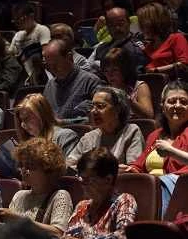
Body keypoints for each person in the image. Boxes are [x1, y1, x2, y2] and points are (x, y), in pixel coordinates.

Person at [61, 148, 137, 239]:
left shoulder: (123, 200)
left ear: (108, 179)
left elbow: (123, 236)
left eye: (88, 180)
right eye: (81, 179)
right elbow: (68, 237)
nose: (83, 184)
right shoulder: (82, 206)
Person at [125, 81, 188, 212]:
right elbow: (140, 165)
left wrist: (171, 151)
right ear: (163, 106)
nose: (177, 106)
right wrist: (128, 169)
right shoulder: (155, 135)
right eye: (171, 101)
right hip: (151, 191)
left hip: (180, 192)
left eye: (183, 102)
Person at [0, 138, 73, 236]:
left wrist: (19, 220)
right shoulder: (19, 195)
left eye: (30, 166)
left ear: (48, 169)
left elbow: (58, 233)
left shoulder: (60, 196)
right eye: (21, 165)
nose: (23, 170)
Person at [67, 86, 144, 170]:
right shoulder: (88, 137)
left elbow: (132, 170)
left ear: (117, 109)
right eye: (92, 106)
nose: (93, 111)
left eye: (100, 106)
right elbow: (68, 166)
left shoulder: (131, 131)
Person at [42, 39, 103, 122]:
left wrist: (64, 123)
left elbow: (99, 117)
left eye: (56, 64)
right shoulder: (49, 86)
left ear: (69, 58)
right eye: (49, 66)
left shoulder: (90, 82)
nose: (52, 69)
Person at [14, 93, 79, 157]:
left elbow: (70, 166)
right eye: (21, 120)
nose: (22, 125)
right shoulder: (29, 143)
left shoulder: (65, 137)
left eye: (27, 118)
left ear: (42, 115)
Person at [91, 7, 149, 72]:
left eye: (121, 24)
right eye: (112, 25)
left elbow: (139, 76)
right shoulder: (101, 48)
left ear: (129, 23)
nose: (117, 28)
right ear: (107, 27)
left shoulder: (136, 48)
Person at [102, 48, 154, 119]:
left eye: (115, 70)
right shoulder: (106, 91)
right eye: (106, 71)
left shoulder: (140, 86)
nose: (110, 75)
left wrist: (128, 100)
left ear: (125, 70)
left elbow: (149, 116)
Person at [138, 1, 188, 74]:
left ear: (155, 22)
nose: (141, 28)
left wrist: (156, 70)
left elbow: (184, 64)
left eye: (143, 24)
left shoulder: (176, 38)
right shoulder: (148, 46)